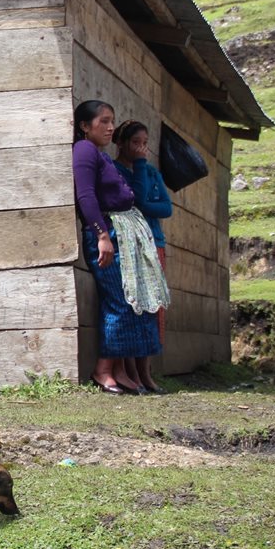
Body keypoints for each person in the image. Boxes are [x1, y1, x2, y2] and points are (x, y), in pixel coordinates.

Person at [73, 101, 165, 395]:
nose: (111, 127)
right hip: (108, 233)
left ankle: (117, 371)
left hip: (122, 232)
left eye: (112, 121)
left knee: (133, 300)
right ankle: (102, 370)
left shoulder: (100, 155)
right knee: (120, 299)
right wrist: (102, 235)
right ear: (85, 126)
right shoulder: (85, 151)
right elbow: (86, 196)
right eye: (104, 121)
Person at [113, 119, 173, 394]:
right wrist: (138, 169)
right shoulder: (116, 170)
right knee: (133, 304)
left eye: (144, 144)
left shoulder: (151, 172)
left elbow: (165, 209)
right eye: (135, 143)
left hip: (154, 241)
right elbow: (133, 200)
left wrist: (146, 203)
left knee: (153, 307)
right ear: (122, 143)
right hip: (129, 244)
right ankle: (130, 372)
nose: (141, 149)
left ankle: (145, 371)